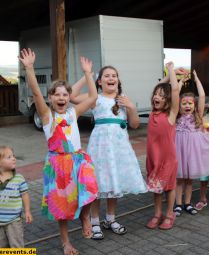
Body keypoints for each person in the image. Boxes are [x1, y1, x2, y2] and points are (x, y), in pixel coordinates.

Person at [19, 48, 98, 255]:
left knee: (91, 189)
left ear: (69, 98)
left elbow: (92, 97)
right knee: (61, 206)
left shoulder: (73, 112)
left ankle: (85, 217)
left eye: (65, 94)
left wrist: (88, 74)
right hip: (58, 165)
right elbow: (36, 92)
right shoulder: (47, 116)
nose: (62, 98)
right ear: (51, 97)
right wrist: (29, 68)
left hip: (78, 160)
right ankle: (66, 242)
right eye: (57, 94)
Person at [70, 65, 147, 239]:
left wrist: (132, 108)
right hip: (100, 148)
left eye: (114, 75)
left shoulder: (124, 99)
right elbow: (72, 96)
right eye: (107, 76)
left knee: (114, 182)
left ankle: (110, 219)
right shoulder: (95, 97)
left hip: (119, 149)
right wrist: (86, 75)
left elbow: (134, 125)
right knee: (98, 184)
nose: (111, 78)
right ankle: (95, 221)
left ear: (118, 80)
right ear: (99, 81)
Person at [173, 70, 209, 216]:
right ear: (179, 105)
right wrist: (180, 82)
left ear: (194, 104)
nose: (187, 106)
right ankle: (178, 204)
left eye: (190, 103)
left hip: (192, 151)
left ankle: (187, 203)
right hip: (179, 149)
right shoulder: (176, 115)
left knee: (189, 180)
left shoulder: (197, 115)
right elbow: (174, 96)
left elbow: (203, 96)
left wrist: (197, 80)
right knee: (179, 179)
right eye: (184, 103)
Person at [146, 62, 182, 230]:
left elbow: (174, 90)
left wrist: (171, 70)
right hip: (153, 159)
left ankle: (169, 214)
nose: (156, 97)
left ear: (168, 100)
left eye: (161, 95)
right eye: (156, 95)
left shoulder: (171, 115)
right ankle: (157, 214)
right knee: (156, 189)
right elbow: (157, 86)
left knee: (169, 187)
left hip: (167, 160)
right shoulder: (153, 113)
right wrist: (164, 81)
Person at [0, 146, 32, 248]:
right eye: (9, 157)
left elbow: (25, 195)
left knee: (16, 246)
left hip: (14, 221)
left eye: (13, 156)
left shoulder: (19, 178)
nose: (14, 158)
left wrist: (27, 211)